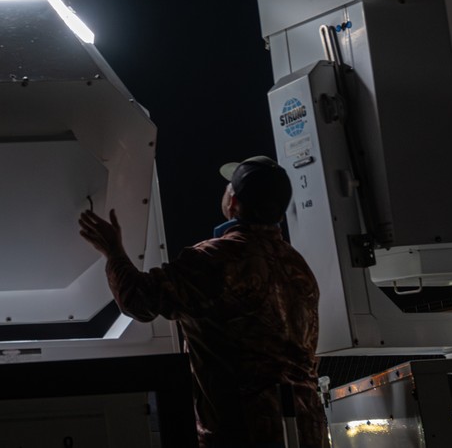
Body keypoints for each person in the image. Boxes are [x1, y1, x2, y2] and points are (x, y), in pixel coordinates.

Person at [78, 156, 325, 447]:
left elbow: (138, 300)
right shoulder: (297, 266)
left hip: (243, 433)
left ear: (232, 202)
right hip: (308, 430)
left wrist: (114, 251)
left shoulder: (214, 260)